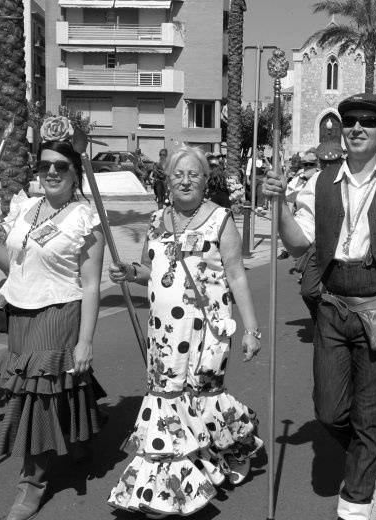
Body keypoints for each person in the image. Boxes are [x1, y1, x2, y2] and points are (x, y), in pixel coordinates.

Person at [263, 93, 376, 520]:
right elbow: (299, 242)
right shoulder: (319, 182)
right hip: (332, 308)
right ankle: (366, 445)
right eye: (350, 122)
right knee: (329, 410)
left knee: (370, 410)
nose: (357, 129)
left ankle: (356, 497)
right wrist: (280, 206)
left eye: (367, 123)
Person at [107, 146, 263, 518]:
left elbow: (237, 273)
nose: (186, 180)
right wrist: (130, 273)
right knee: (166, 397)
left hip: (207, 330)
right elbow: (155, 271)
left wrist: (252, 328)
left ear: (206, 181)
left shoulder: (221, 219)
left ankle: (227, 448)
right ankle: (171, 484)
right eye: (178, 174)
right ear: (167, 181)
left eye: (194, 174)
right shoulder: (159, 219)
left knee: (201, 396)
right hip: (164, 333)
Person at [0, 116, 107, 520]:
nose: (51, 173)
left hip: (59, 311)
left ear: (75, 172)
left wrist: (85, 341)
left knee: (37, 397)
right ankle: (81, 435)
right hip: (20, 315)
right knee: (59, 384)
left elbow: (92, 286)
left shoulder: (84, 218)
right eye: (44, 166)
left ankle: (32, 484)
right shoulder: (26, 208)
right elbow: (12, 266)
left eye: (61, 167)